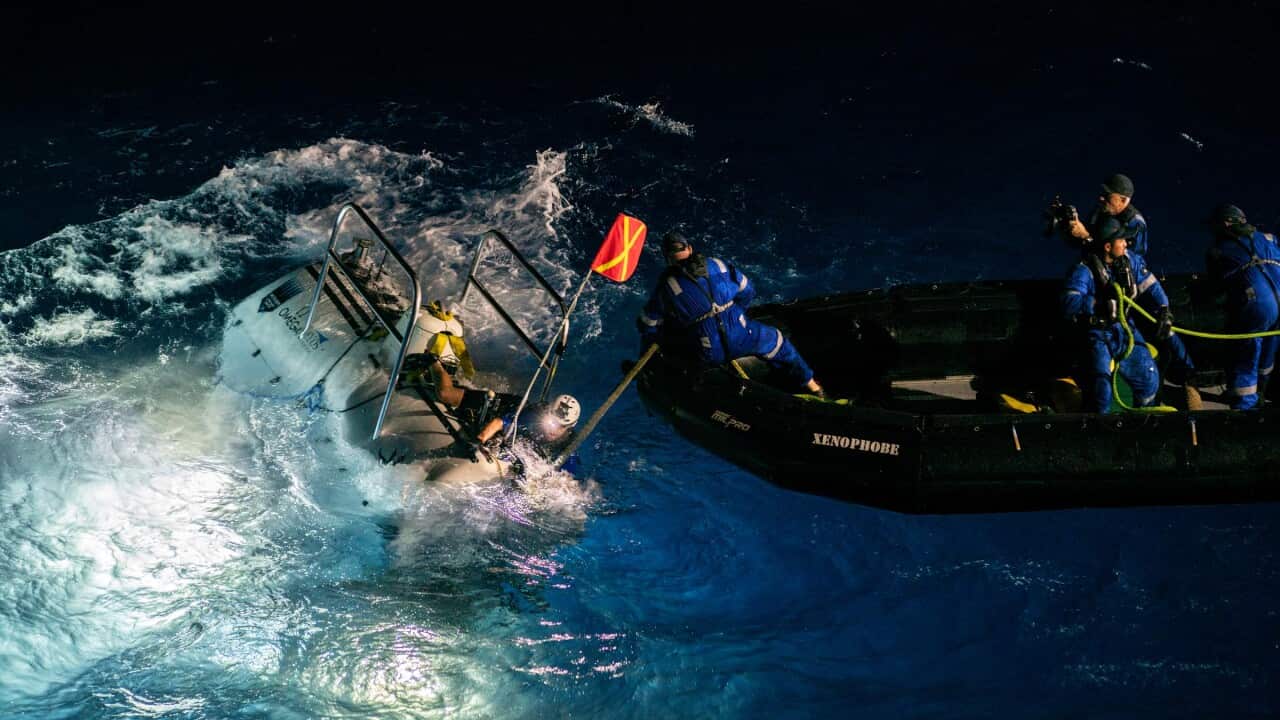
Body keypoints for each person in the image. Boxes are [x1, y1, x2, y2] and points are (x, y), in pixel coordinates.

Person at [637, 231, 825, 396]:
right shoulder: (718, 265)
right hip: (743, 335)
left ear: (667, 258)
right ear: (690, 248)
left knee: (676, 347)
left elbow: (649, 325)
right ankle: (814, 388)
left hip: (709, 352)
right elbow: (748, 291)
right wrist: (735, 315)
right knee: (778, 341)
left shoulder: (666, 287)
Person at [1061, 217, 1165, 413]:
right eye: (1121, 240)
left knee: (1149, 377)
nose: (1126, 243)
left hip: (1125, 329)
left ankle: (1145, 417)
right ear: (1108, 246)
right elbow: (1069, 302)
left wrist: (1164, 308)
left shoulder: (1131, 261)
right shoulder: (1084, 270)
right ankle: (1100, 428)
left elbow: (1152, 285)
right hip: (1098, 334)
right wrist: (1096, 305)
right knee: (1102, 388)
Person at [1203, 204, 1280, 409]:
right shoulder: (1270, 238)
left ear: (1226, 223)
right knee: (1269, 349)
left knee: (1245, 352)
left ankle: (1244, 407)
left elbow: (1216, 288)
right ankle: (1263, 393)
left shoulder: (1218, 250)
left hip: (1258, 304)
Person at [476, 393, 582, 475]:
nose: (553, 429)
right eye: (552, 422)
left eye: (561, 426)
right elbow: (500, 422)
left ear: (570, 427)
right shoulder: (533, 418)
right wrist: (480, 439)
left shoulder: (568, 454)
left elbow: (566, 483)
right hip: (510, 405)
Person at [1068, 173, 1151, 257]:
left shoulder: (1135, 223)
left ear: (1123, 200)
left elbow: (1126, 262)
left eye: (1107, 195)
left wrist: (1086, 236)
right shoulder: (1101, 210)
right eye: (1102, 193)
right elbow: (1082, 243)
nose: (1101, 198)